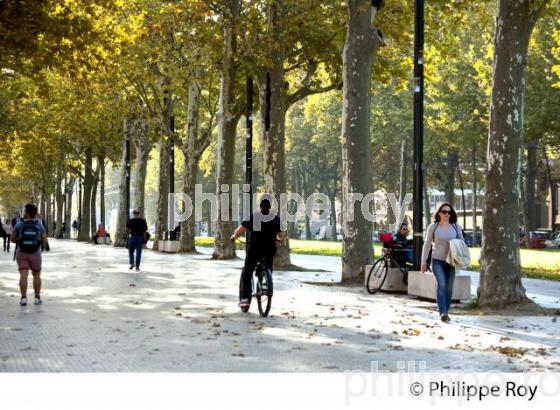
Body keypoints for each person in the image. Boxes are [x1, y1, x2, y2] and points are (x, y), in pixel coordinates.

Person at [230, 198, 286, 309]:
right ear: (270, 208)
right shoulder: (275, 219)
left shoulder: (254, 216)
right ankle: (266, 283)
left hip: (255, 249)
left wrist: (234, 236)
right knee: (268, 267)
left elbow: (240, 230)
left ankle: (245, 299)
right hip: (269, 249)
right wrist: (279, 238)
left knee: (247, 272)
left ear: (260, 207)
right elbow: (281, 235)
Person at [421, 202, 464, 323]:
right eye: (444, 212)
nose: (447, 214)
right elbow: (427, 245)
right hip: (437, 260)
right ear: (439, 213)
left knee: (449, 288)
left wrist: (455, 242)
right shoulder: (433, 227)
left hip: (451, 261)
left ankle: (446, 311)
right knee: (442, 284)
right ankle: (443, 312)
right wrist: (423, 262)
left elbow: (462, 242)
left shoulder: (456, 227)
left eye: (449, 212)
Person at [11, 203, 49, 306]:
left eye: (24, 211)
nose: (23, 213)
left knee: (23, 275)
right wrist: (38, 243)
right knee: (36, 275)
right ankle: (37, 298)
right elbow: (45, 241)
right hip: (35, 253)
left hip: (21, 253)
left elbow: (13, 239)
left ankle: (23, 298)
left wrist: (20, 239)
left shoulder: (19, 225)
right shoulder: (39, 225)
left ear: (27, 213)